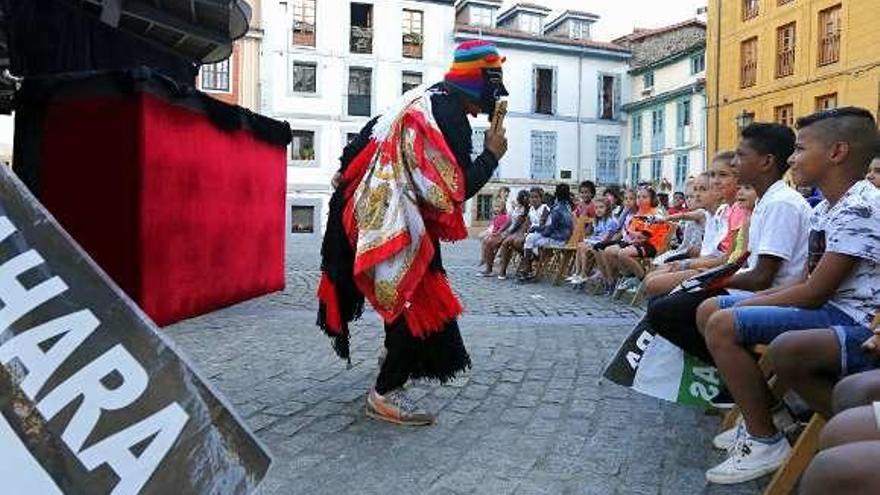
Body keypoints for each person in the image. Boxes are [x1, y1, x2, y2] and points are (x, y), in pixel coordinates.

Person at [317, 40, 509, 426]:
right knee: (414, 304)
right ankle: (385, 393)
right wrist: (491, 155)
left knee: (417, 293)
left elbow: (369, 134)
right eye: (490, 98)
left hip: (365, 213)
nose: (486, 111)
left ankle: (392, 360)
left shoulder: (420, 97)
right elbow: (450, 191)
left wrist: (343, 169)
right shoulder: (449, 115)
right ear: (478, 88)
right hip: (388, 222)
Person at [699, 108, 880, 484]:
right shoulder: (827, 207)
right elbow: (809, 287)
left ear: (837, 152)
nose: (792, 158)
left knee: (724, 322)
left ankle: (767, 437)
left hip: (856, 321)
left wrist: (746, 304)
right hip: (830, 309)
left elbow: (814, 294)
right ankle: (766, 418)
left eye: (799, 149)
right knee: (712, 309)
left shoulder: (860, 207)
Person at [645, 124, 810, 378]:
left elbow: (762, 277)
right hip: (752, 287)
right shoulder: (768, 202)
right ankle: (736, 373)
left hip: (769, 294)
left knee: (665, 311)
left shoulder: (781, 204)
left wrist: (705, 281)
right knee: (662, 304)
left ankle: (745, 376)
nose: (735, 163)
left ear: (766, 162)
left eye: (741, 156)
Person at [610, 186, 672, 281]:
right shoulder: (640, 212)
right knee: (612, 252)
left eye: (644, 197)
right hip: (640, 243)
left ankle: (641, 278)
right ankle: (629, 275)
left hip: (653, 245)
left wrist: (634, 235)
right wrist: (634, 235)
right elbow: (633, 232)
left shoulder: (655, 213)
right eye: (638, 197)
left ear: (652, 199)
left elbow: (643, 236)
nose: (640, 200)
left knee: (623, 253)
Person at [518, 183, 574, 282]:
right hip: (563, 236)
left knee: (532, 240)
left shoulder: (557, 209)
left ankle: (531, 267)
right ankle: (528, 268)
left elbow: (549, 230)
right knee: (531, 238)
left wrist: (536, 229)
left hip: (559, 239)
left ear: (556, 194)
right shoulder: (567, 206)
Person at [497, 187, 546, 280]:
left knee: (515, 242)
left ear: (541, 198)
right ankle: (503, 270)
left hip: (539, 237)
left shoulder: (544, 209)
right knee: (507, 242)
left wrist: (525, 233)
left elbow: (542, 226)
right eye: (531, 197)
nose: (533, 199)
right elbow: (526, 224)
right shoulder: (531, 209)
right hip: (528, 235)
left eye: (536, 197)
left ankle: (527, 264)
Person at [568, 197, 619, 285]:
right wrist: (590, 239)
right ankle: (577, 272)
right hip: (597, 242)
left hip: (606, 244)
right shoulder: (599, 220)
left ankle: (584, 273)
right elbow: (596, 235)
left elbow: (607, 238)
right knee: (580, 245)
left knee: (583, 247)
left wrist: (592, 241)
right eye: (596, 208)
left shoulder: (611, 221)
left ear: (607, 208)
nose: (598, 210)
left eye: (601, 207)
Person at [482, 189, 529, 277]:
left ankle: (502, 271)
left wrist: (506, 234)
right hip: (508, 231)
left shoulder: (524, 210)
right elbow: (509, 221)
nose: (518, 199)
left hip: (516, 233)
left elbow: (517, 226)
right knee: (489, 242)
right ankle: (488, 269)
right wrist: (500, 231)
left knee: (505, 243)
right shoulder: (516, 208)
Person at [478, 200, 510, 274]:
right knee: (485, 241)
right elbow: (494, 227)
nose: (497, 209)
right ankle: (486, 261)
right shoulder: (496, 217)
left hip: (501, 235)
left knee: (488, 242)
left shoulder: (504, 217)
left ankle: (487, 263)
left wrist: (495, 233)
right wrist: (492, 233)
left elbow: (502, 228)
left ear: (503, 208)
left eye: (499, 207)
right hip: (495, 234)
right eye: (495, 207)